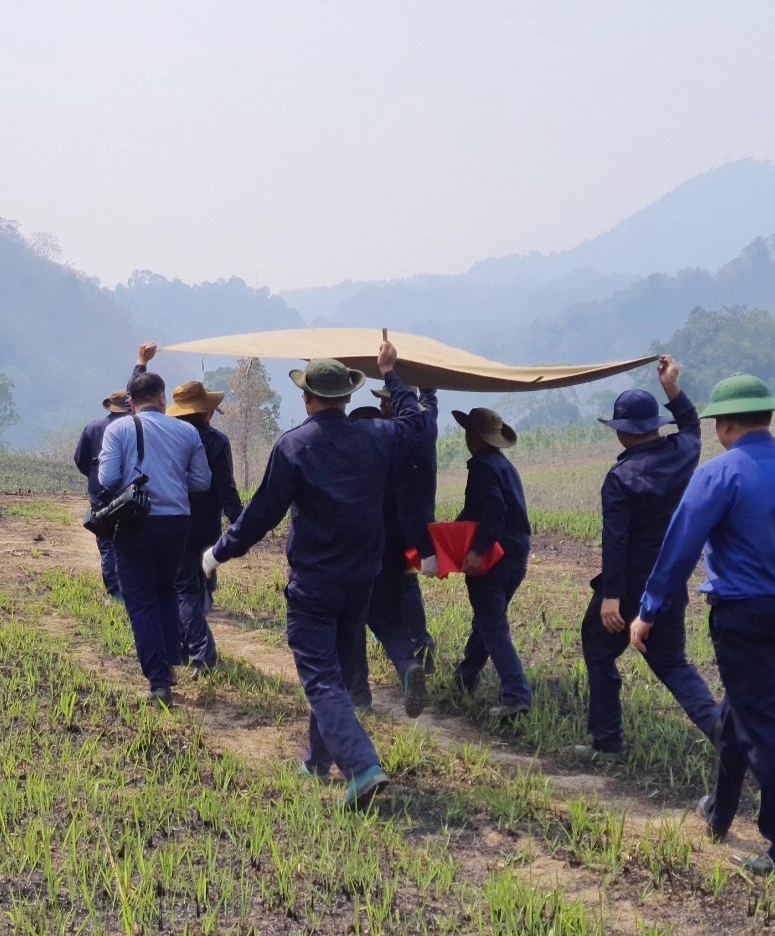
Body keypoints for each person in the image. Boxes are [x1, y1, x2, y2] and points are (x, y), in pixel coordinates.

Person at [630, 374, 775, 882]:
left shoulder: (720, 474)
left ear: (723, 425)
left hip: (743, 614)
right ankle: (720, 812)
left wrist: (649, 609)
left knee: (761, 722)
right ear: (767, 417)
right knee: (742, 710)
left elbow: (680, 546)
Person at [203, 340, 425, 810]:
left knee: (321, 679)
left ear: (307, 398)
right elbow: (417, 423)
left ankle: (362, 766)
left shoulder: (294, 446)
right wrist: (392, 374)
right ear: (347, 398)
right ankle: (316, 761)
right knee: (338, 676)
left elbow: (261, 514)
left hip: (314, 585)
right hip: (360, 581)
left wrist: (217, 554)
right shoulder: (377, 437)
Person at [574, 355, 724, 762]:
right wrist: (672, 388)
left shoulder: (619, 479)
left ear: (623, 432)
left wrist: (610, 597)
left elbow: (616, 542)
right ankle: (723, 734)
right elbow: (693, 426)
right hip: (669, 584)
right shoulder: (683, 452)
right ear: (655, 426)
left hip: (628, 590)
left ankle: (607, 741)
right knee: (674, 665)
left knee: (598, 651)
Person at [98, 344, 213, 706]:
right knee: (166, 592)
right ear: (163, 399)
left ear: (130, 402)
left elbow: (107, 479)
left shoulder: (118, 431)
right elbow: (201, 483)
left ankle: (159, 681)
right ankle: (170, 660)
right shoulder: (187, 433)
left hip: (135, 524)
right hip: (177, 524)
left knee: (141, 601)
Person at [345, 385, 439, 718]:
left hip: (369, 544)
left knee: (356, 616)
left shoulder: (387, 446)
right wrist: (428, 389)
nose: (383, 405)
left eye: (387, 400)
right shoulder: (422, 430)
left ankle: (359, 694)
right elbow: (429, 409)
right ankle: (409, 662)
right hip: (403, 541)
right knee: (390, 611)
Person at [450, 406, 532, 720]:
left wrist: (477, 550)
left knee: (494, 627)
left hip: (494, 561)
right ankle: (465, 678)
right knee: (485, 621)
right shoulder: (503, 466)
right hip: (516, 559)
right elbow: (478, 512)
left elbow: (493, 511)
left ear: (475, 437)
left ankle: (516, 693)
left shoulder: (483, 467)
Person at [167, 378, 242, 673]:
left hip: (173, 520)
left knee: (183, 587)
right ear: (206, 412)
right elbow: (226, 488)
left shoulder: (168, 438)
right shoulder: (216, 442)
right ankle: (196, 651)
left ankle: (194, 651)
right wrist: (241, 522)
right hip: (207, 524)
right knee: (194, 586)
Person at [72, 388, 132, 595]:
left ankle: (115, 593)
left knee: (107, 543)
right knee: (130, 541)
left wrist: (94, 476)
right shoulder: (135, 428)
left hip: (99, 494)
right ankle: (131, 589)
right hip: (130, 494)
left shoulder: (93, 428)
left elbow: (81, 460)